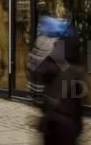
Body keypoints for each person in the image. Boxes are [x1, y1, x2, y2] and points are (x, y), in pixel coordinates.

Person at [28, 15, 83, 145]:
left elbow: (35, 91)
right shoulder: (72, 59)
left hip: (52, 119)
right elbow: (79, 97)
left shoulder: (41, 58)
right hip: (68, 121)